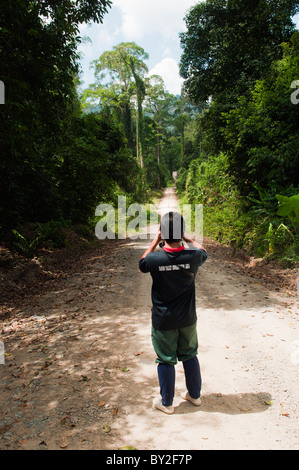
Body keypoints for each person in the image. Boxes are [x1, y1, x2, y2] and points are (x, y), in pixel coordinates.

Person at [139, 211, 208, 414]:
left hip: (163, 319)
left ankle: (167, 403)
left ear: (162, 233)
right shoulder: (194, 256)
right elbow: (203, 251)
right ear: (182, 232)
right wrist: (188, 238)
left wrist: (155, 240)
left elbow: (142, 263)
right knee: (189, 354)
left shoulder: (154, 259)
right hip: (187, 318)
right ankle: (194, 396)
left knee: (166, 359)